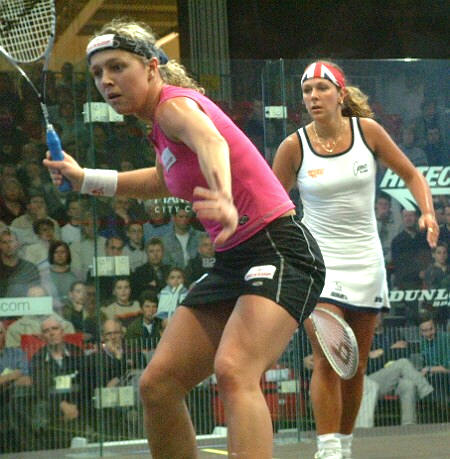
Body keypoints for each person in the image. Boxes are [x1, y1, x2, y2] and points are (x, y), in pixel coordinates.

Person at [43, 18, 325, 459]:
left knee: (234, 370)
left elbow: (212, 142)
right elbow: (162, 180)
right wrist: (85, 179)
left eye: (117, 67)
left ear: (152, 67)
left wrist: (221, 193)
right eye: (97, 73)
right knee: (158, 385)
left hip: (278, 248)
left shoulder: (174, 106)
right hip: (233, 261)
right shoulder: (159, 126)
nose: (106, 81)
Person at [272, 60, 438, 459]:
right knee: (329, 357)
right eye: (307, 90)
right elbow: (272, 201)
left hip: (366, 261)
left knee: (355, 365)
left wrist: (428, 212)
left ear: (340, 94)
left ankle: (344, 445)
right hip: (319, 264)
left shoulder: (368, 132)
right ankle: (327, 447)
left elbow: (412, 174)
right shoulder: (294, 146)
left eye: (322, 89)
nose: (313, 96)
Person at [29, 315, 87, 449]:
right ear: (42, 337)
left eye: (55, 328)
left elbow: (85, 381)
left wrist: (75, 406)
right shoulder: (38, 358)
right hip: (52, 411)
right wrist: (63, 405)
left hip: (78, 407)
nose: (51, 333)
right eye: (46, 331)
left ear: (62, 331)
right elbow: (42, 388)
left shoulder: (76, 352)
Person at [366, 313, 433, 426]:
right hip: (373, 381)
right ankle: (425, 390)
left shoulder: (393, 333)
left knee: (408, 385)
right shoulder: (365, 337)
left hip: (394, 379)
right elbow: (370, 364)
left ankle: (409, 425)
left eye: (377, 315)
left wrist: (381, 353)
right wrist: (391, 349)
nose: (374, 319)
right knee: (402, 363)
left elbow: (406, 352)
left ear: (382, 316)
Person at [0, 320, 33, 453]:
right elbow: (19, 374)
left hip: (15, 401)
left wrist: (5, 380)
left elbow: (27, 379)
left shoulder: (17, 353)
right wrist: (14, 375)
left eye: (0, 333)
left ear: (5, 334)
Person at [418, 312, 449, 416]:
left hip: (444, 378)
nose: (429, 333)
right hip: (430, 378)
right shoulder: (422, 342)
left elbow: (448, 367)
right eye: (424, 331)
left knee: (439, 378)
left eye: (431, 329)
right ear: (420, 331)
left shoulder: (445, 339)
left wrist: (429, 369)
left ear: (435, 327)